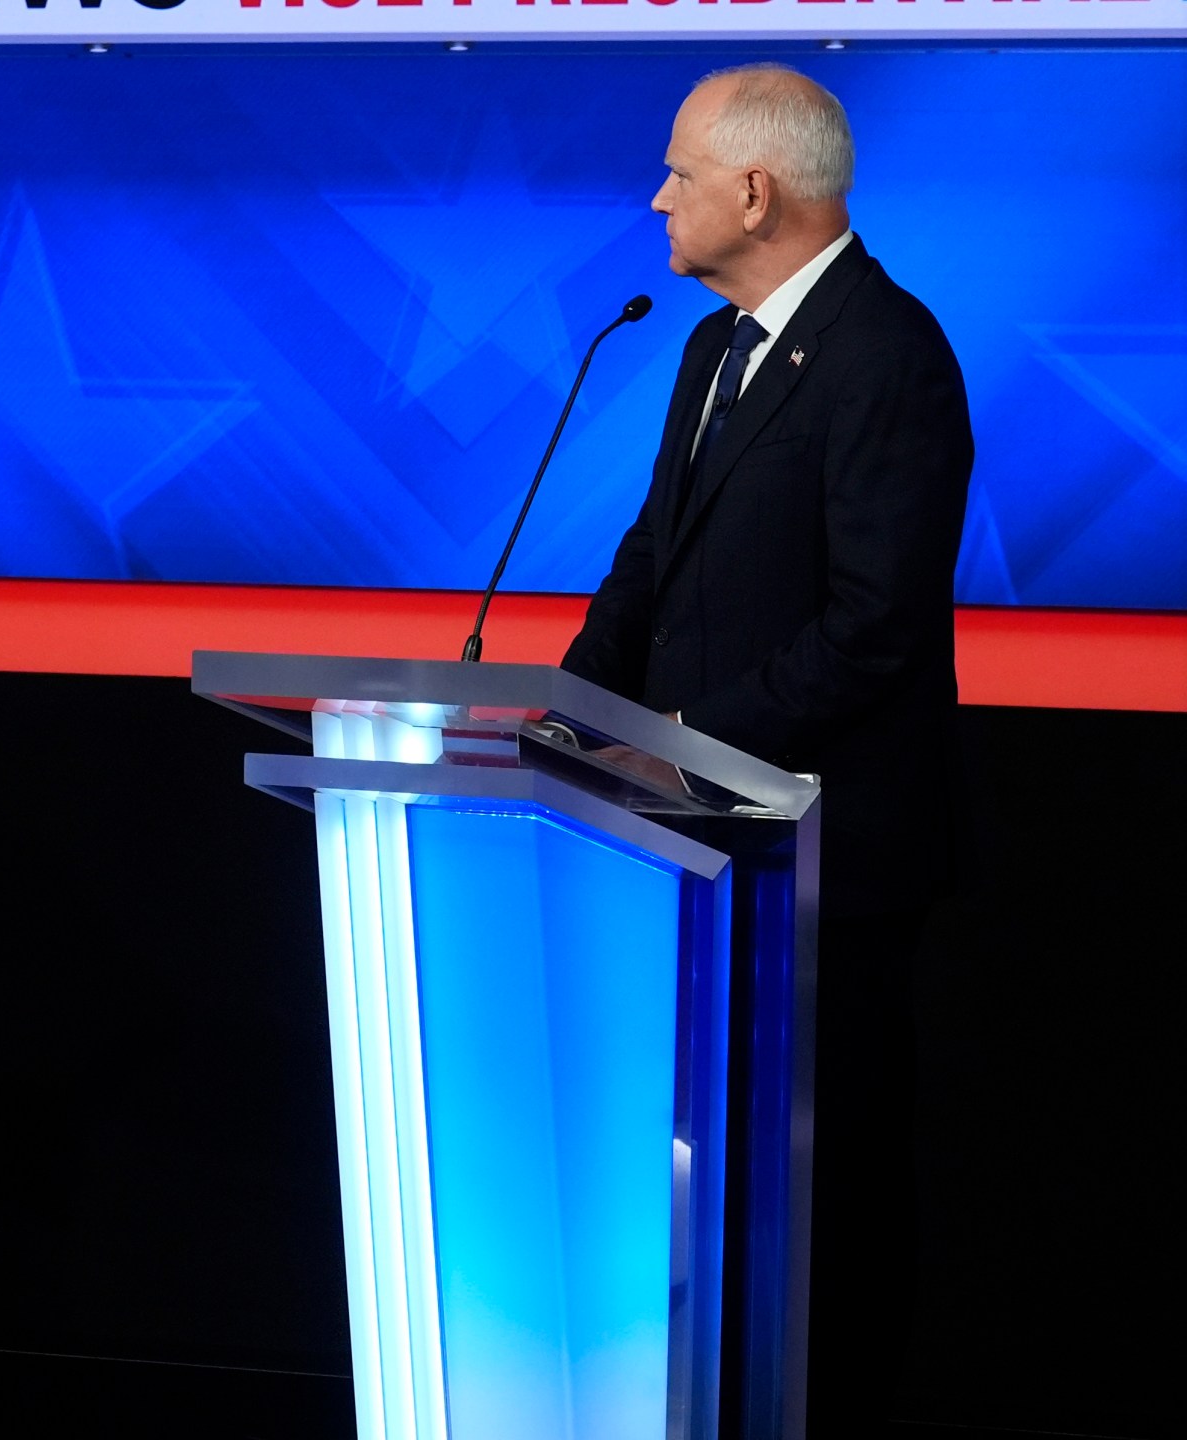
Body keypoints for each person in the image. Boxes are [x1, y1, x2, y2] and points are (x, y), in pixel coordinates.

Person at [560, 63, 972, 1431]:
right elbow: (652, 557)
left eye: (679, 171)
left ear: (756, 189)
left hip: (821, 865)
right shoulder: (708, 347)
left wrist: (684, 739)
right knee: (709, 1191)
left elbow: (876, 626)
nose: (658, 195)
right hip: (692, 849)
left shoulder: (886, 354)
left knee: (826, 1194)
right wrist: (569, 717)